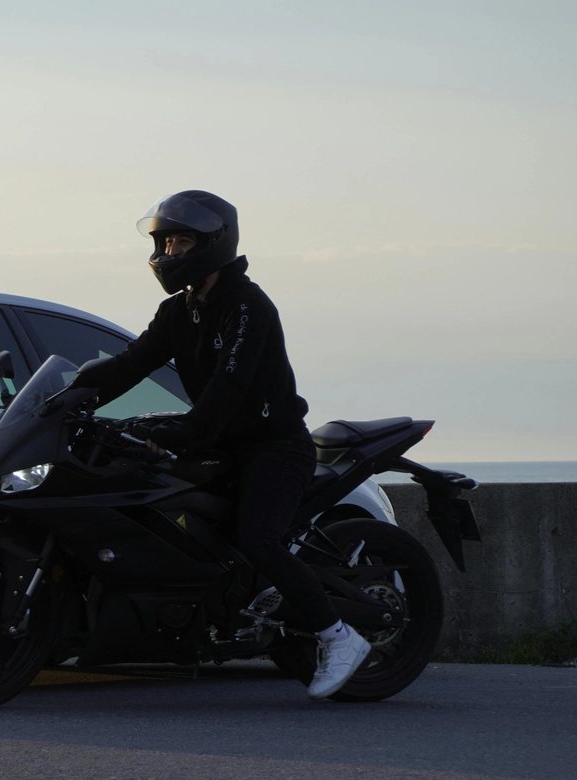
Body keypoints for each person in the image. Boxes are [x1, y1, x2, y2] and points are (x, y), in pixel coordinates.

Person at [74, 190, 371, 700]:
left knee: (259, 539)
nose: (169, 254)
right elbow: (131, 364)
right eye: (164, 244)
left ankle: (338, 636)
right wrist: (72, 397)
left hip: (273, 447)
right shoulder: (179, 311)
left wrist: (182, 432)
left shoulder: (248, 307)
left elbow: (227, 389)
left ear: (213, 244)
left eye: (181, 242)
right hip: (220, 442)